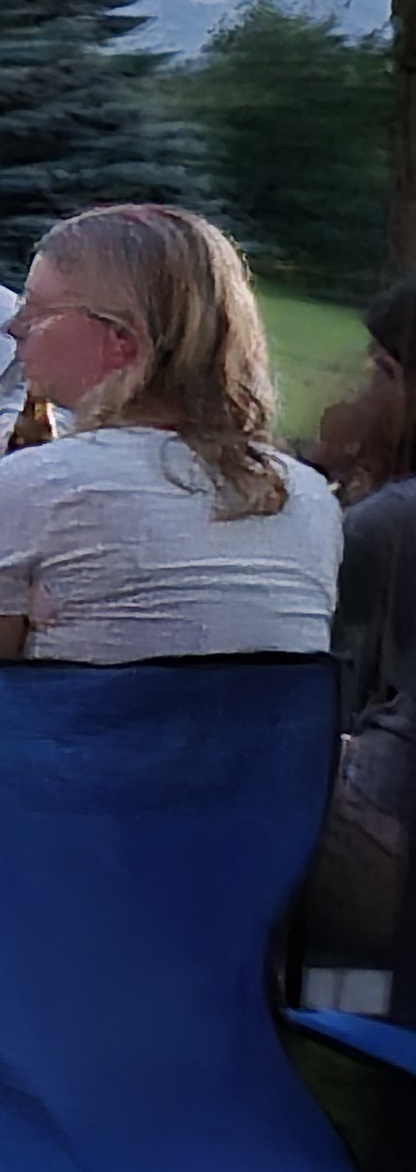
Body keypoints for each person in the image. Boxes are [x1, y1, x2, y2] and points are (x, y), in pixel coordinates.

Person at [0, 203, 336, 664]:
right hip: (259, 717)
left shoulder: (29, 488)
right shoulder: (308, 496)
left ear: (121, 341)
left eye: (37, 309)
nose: (13, 327)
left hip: (82, 715)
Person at [314, 275, 416, 952]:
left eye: (378, 371)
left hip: (392, 849)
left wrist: (323, 467)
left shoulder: (391, 522)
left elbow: (322, 694)